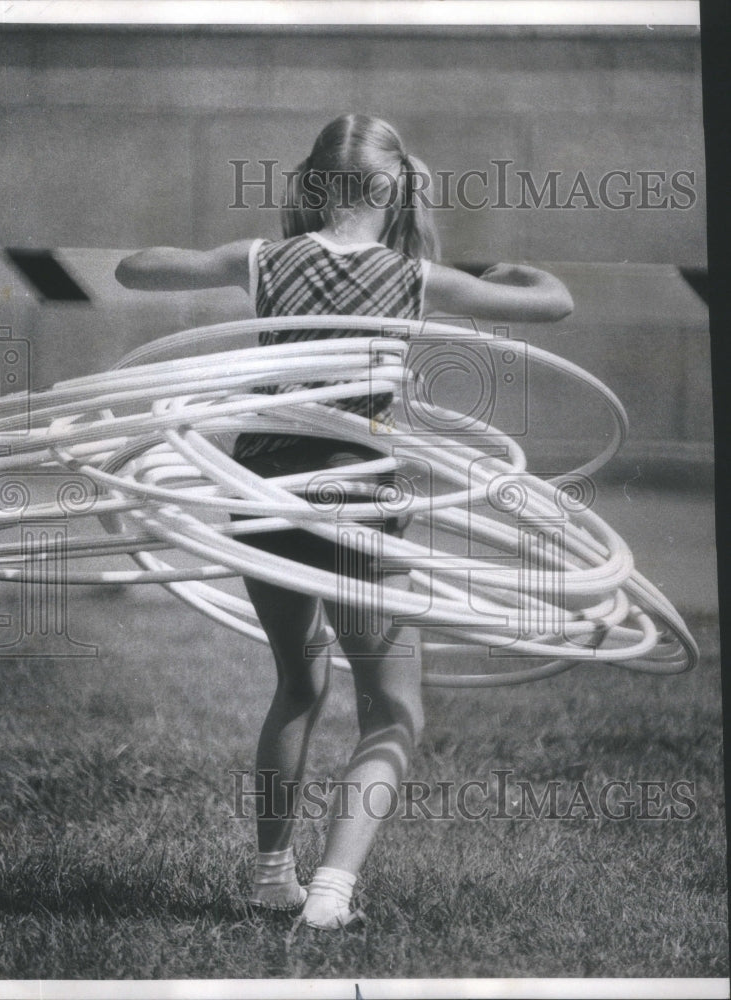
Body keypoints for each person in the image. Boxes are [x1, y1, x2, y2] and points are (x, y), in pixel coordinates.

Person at [116, 113, 573, 930]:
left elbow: (135, 268)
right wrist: (518, 269)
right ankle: (329, 894)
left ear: (310, 182)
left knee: (298, 683)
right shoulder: (417, 277)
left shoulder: (258, 260)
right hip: (356, 504)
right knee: (392, 709)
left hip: (257, 496)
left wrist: (231, 254)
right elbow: (554, 304)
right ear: (395, 183)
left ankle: (270, 877)